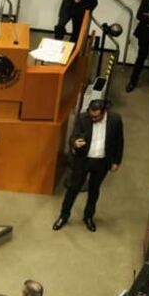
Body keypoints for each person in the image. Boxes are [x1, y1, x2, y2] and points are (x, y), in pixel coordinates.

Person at [53, 99, 124, 232]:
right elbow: (73, 136)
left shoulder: (115, 120)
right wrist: (75, 143)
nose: (93, 118)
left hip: (102, 162)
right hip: (83, 160)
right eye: (91, 115)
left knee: (94, 190)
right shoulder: (83, 118)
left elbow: (119, 142)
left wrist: (116, 161)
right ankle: (64, 216)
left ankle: (88, 217)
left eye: (96, 116)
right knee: (73, 188)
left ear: (104, 112)